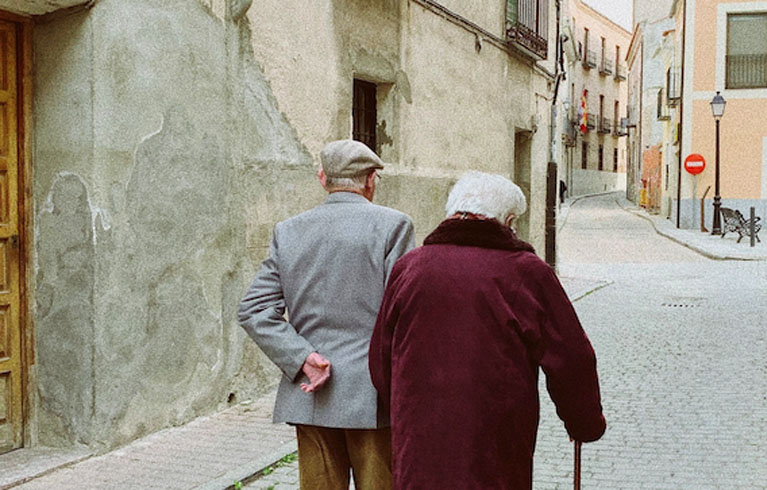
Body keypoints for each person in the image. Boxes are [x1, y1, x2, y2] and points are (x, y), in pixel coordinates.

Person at [369, 171, 605, 490]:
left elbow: (381, 358)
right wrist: (584, 422)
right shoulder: (525, 272)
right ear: (508, 221)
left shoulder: (410, 267)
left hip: (421, 442)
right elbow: (571, 357)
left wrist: (405, 409)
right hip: (495, 445)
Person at [239, 139, 415, 490]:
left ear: (322, 178)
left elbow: (254, 308)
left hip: (311, 393)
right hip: (374, 395)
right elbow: (405, 312)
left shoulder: (288, 231)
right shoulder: (394, 225)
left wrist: (301, 356)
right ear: (370, 180)